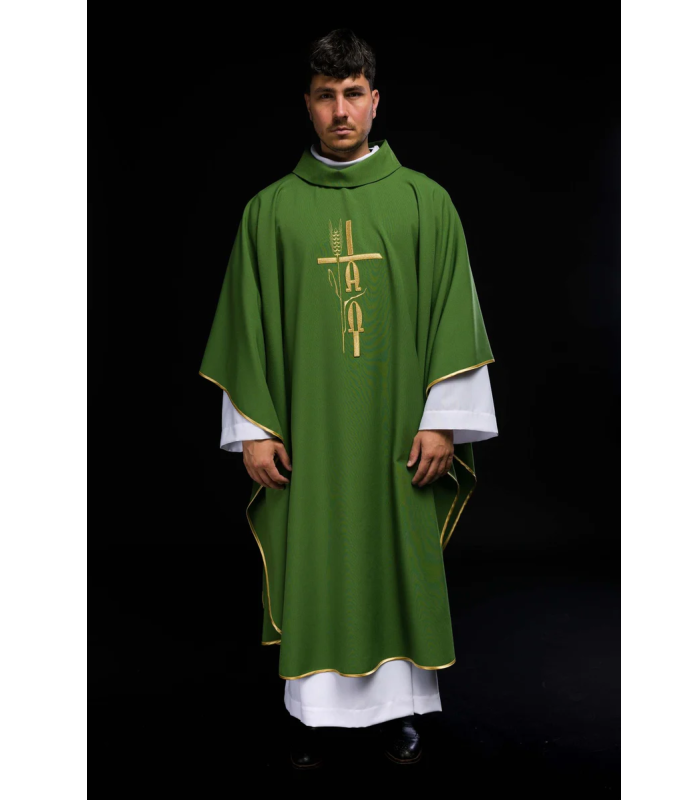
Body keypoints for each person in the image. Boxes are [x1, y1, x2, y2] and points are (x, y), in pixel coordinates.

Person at [198, 28, 498, 768]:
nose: (341, 110)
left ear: (375, 100)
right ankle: (313, 716)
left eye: (354, 94)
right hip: (310, 436)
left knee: (397, 557)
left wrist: (443, 422)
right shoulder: (269, 212)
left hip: (399, 434)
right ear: (307, 104)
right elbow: (244, 331)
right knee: (316, 556)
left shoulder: (425, 202)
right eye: (326, 95)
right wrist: (254, 429)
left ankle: (400, 712)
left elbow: (453, 318)